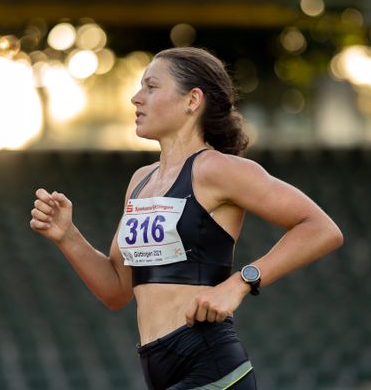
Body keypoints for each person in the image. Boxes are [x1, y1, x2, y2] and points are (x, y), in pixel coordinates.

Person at [30, 47, 343, 390]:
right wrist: (68, 236)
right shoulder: (140, 181)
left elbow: (321, 229)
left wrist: (240, 283)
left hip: (209, 362)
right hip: (158, 368)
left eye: (150, 87)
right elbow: (117, 290)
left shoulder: (218, 169)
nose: (136, 98)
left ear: (192, 100)